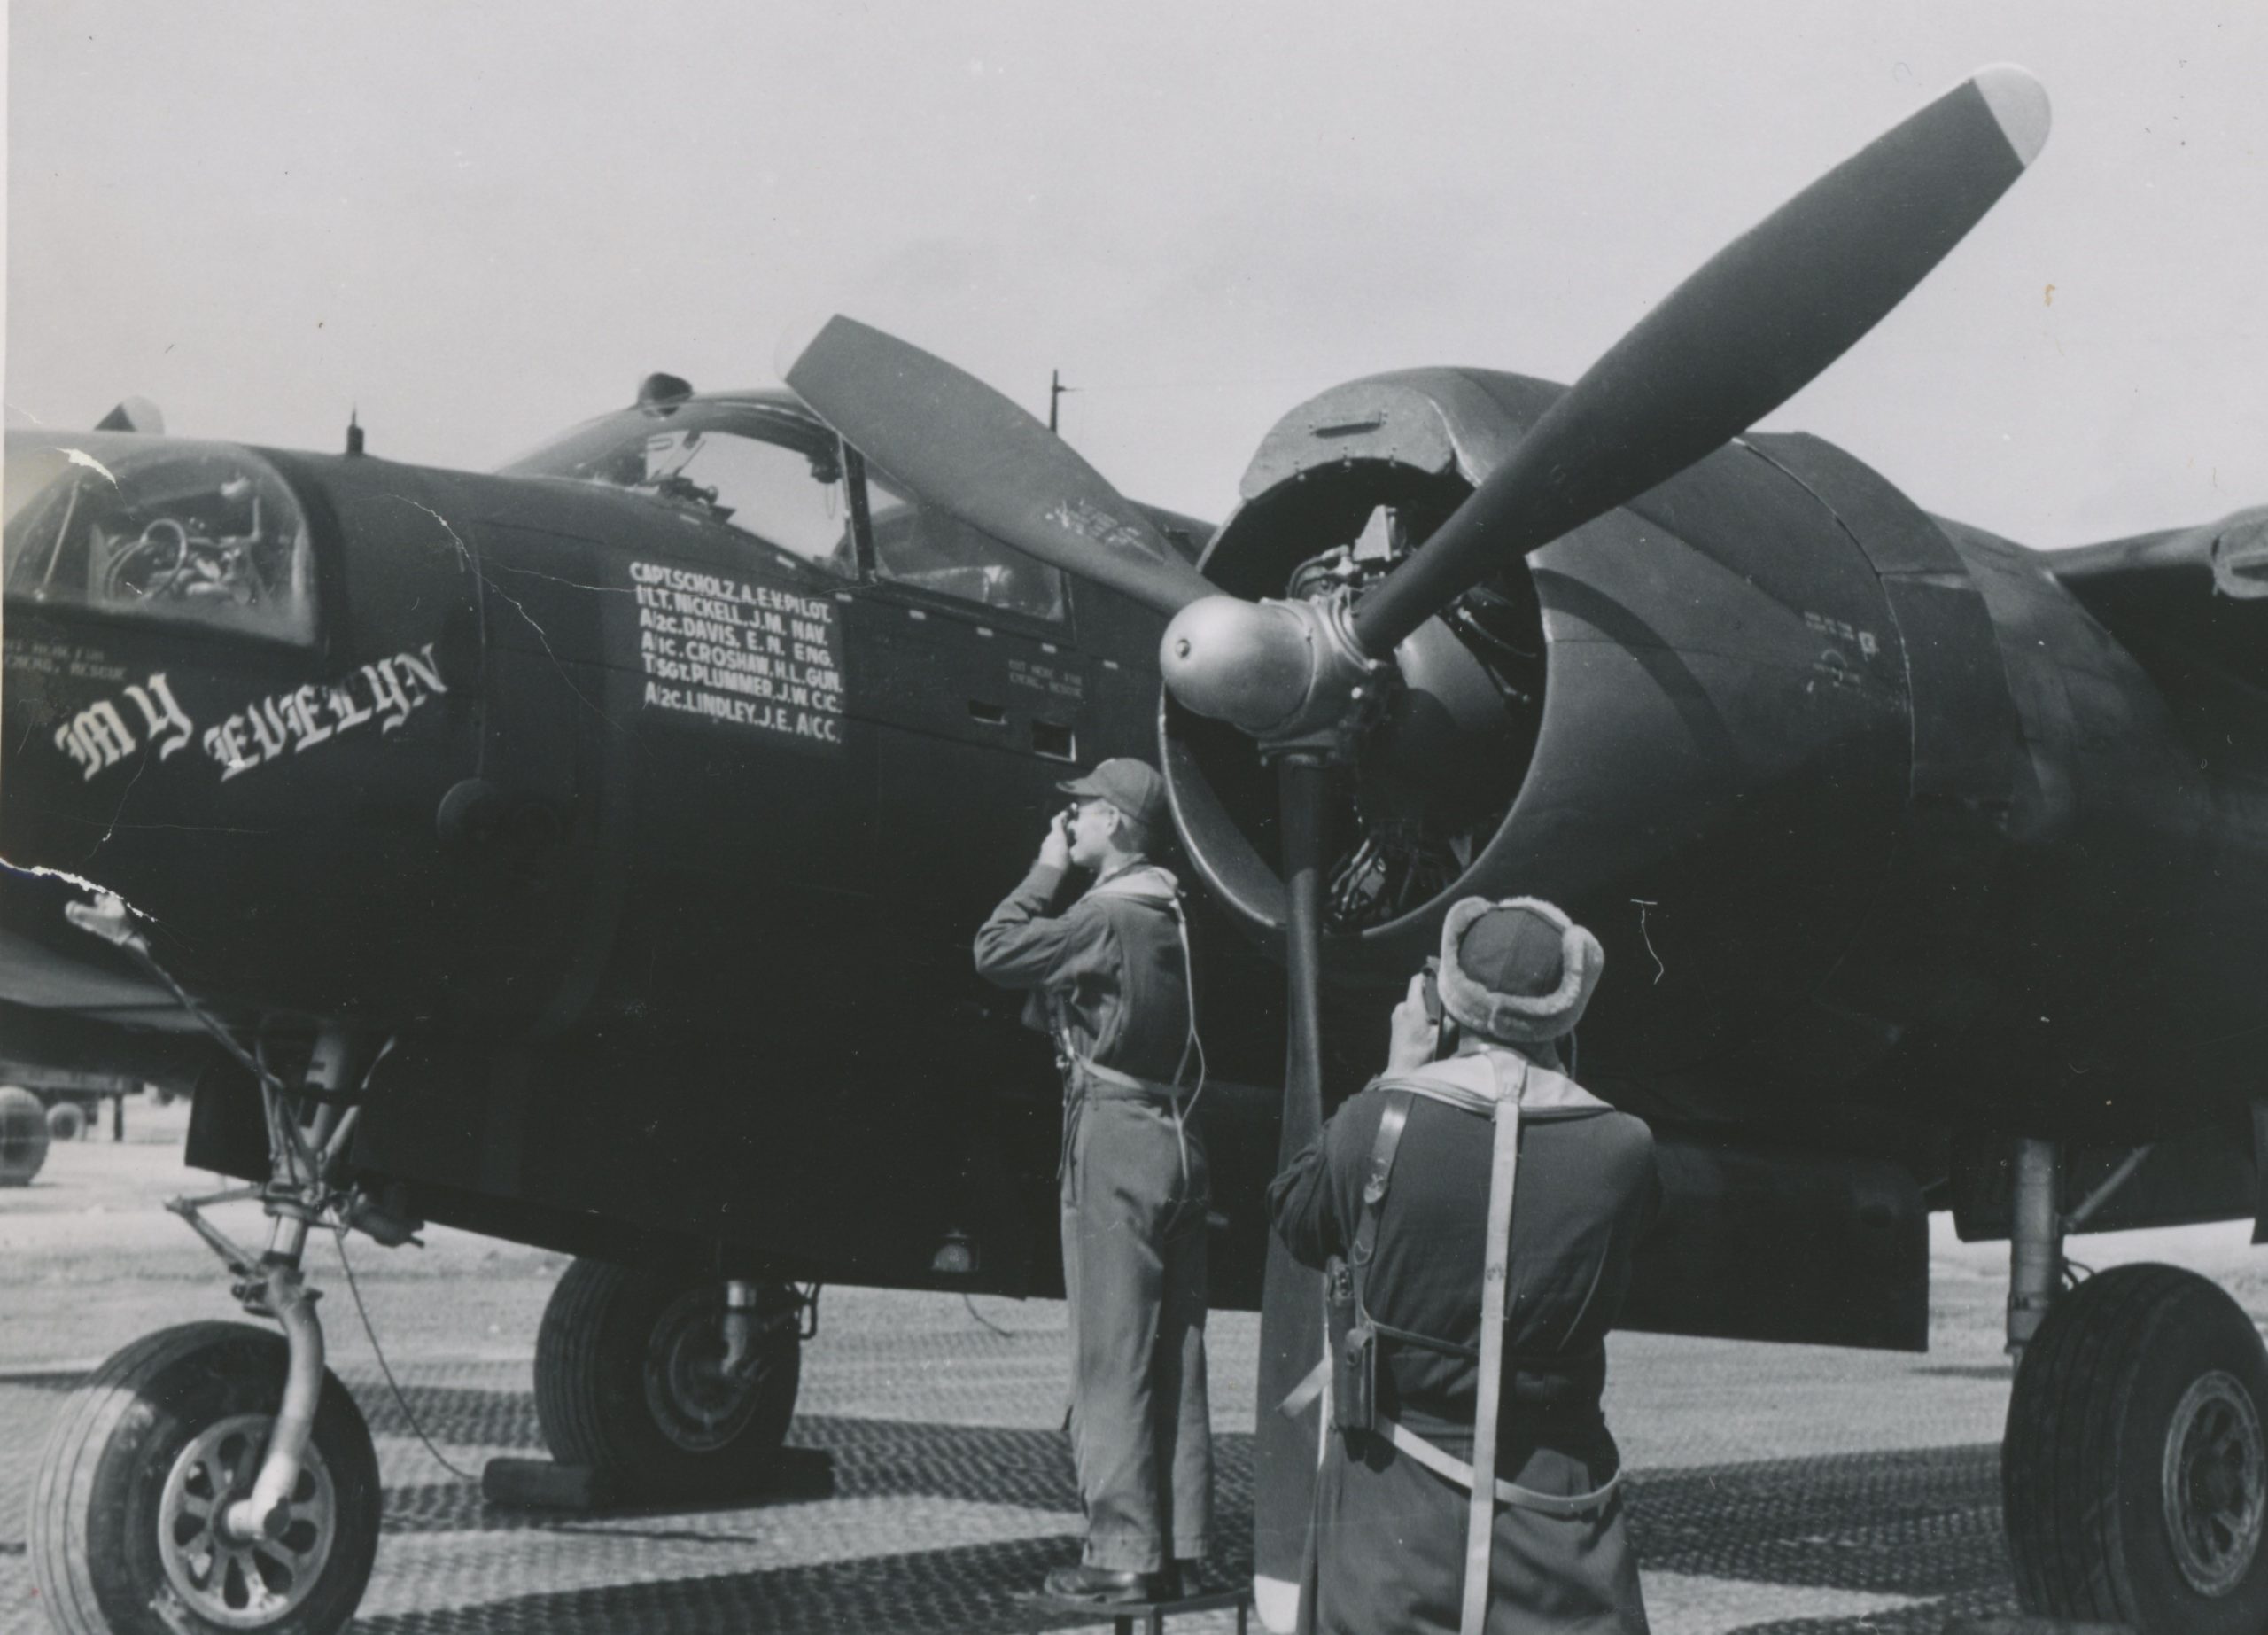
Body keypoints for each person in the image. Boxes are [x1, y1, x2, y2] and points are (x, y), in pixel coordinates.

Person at [1268, 896, 1658, 1635]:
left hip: (1389, 1515)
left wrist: (1394, 1074)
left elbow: (1296, 1212)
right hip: (1556, 1526)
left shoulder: (1376, 1122)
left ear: (1446, 1004)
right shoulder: (1625, 1147)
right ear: (1566, 1011)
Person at [973, 756, 1212, 1605]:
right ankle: (1180, 1546)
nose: (1069, 822)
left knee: (1110, 1352)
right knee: (1175, 1351)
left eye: (1080, 811)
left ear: (1114, 821)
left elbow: (995, 949)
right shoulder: (1167, 908)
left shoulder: (1104, 912)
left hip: (1113, 1136)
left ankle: (1121, 1551)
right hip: (1176, 1134)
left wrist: (1046, 870)